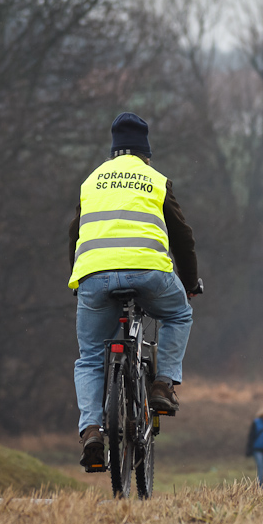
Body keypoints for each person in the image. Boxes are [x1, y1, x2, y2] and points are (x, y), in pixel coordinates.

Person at [69, 112, 202, 469]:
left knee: (91, 357)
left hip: (94, 278)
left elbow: (75, 234)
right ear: (146, 153)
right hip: (149, 275)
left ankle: (92, 430)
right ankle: (161, 385)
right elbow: (183, 236)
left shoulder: (92, 182)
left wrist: (79, 281)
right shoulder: (156, 180)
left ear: (113, 152)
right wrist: (190, 283)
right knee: (178, 314)